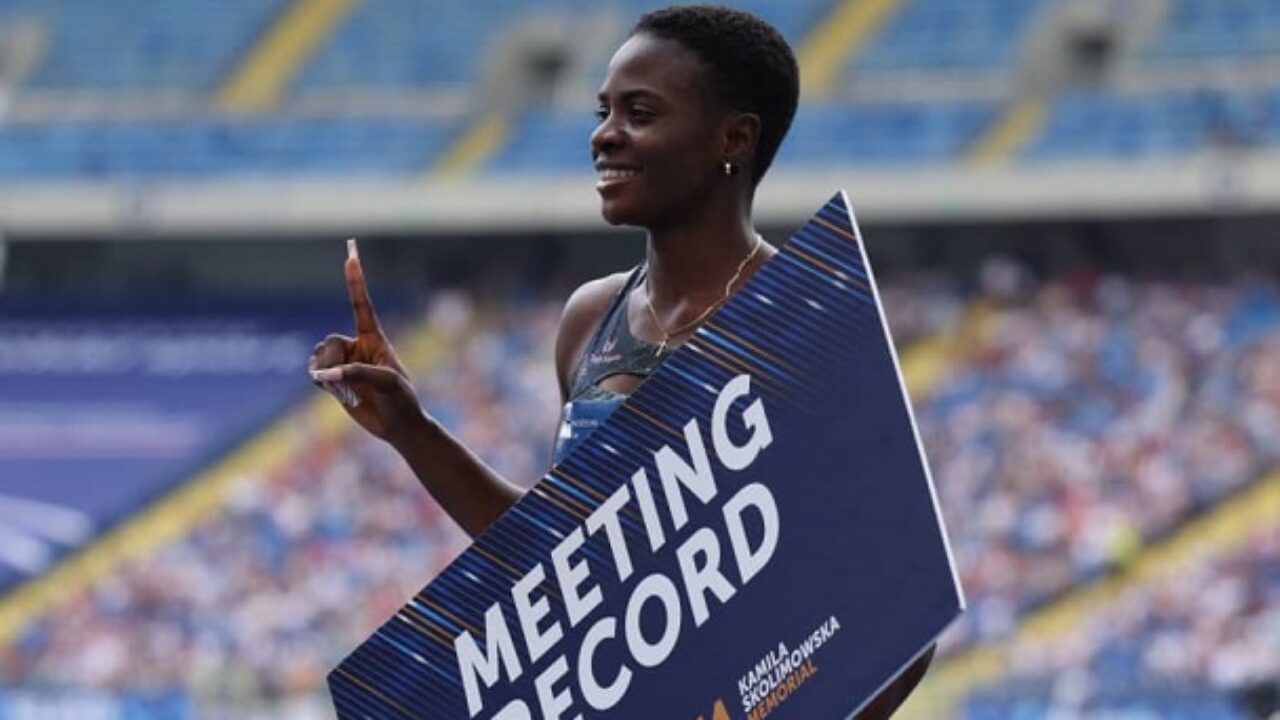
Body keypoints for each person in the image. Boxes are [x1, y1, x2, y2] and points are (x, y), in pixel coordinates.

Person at [309, 6, 933, 717]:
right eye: (604, 111)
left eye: (639, 112)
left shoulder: (805, 320)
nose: (605, 135)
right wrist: (411, 429)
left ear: (734, 138)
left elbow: (902, 618)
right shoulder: (589, 320)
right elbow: (569, 567)